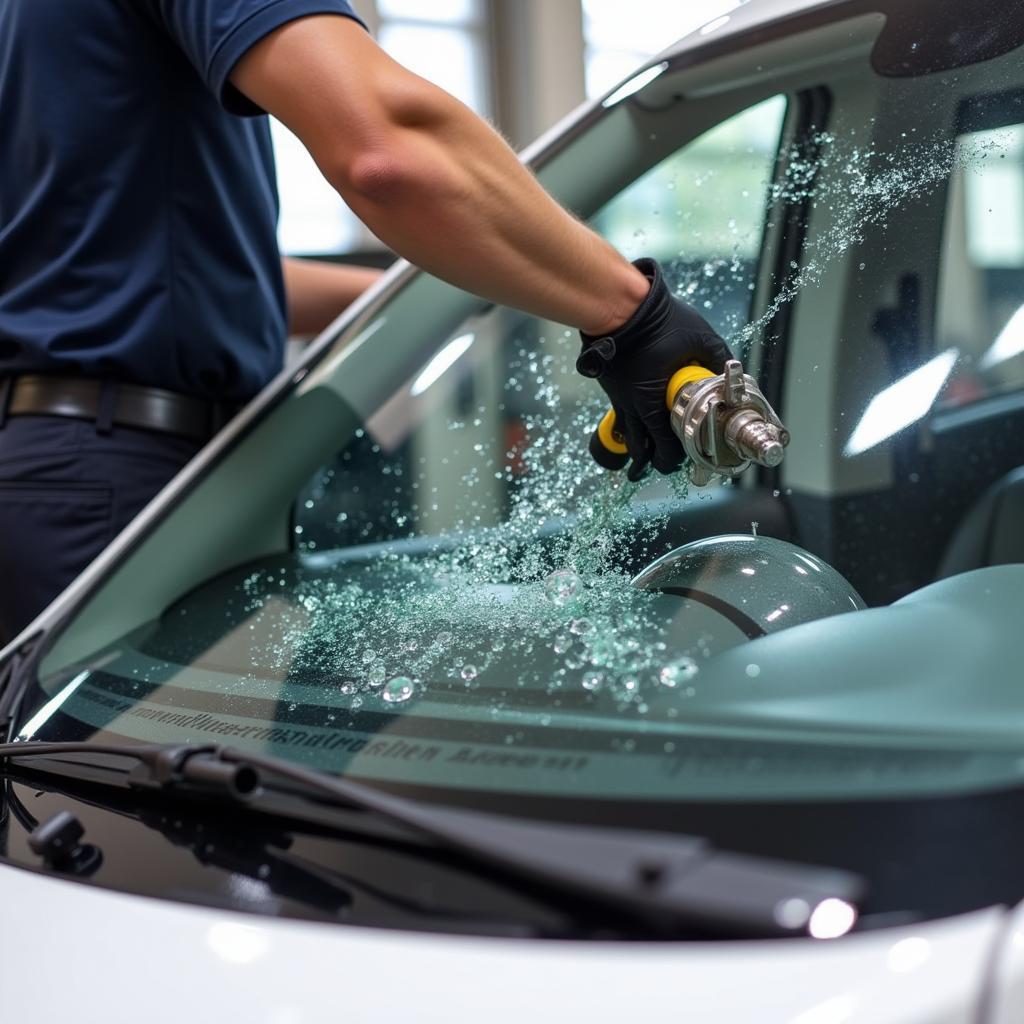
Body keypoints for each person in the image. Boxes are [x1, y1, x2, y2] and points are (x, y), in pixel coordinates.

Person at [0, 0, 730, 649]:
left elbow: (163, 275)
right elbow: (389, 154)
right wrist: (633, 314)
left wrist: (462, 282)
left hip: (56, 466)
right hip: (127, 479)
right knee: (104, 793)